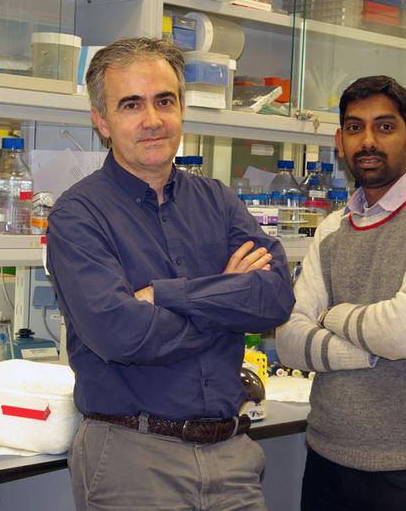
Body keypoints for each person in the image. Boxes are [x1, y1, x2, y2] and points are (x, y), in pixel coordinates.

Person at [46, 37, 295, 510]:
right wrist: (227, 304)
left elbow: (276, 297)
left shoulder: (218, 201)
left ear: (181, 108)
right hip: (134, 459)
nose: (153, 120)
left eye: (165, 101)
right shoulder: (78, 215)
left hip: (233, 458)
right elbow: (124, 335)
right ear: (102, 120)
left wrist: (165, 295)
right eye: (131, 105)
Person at [276, 75, 406, 510]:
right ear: (340, 140)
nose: (367, 140)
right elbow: (289, 342)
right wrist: (374, 349)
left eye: (385, 127)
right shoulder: (331, 228)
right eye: (355, 128)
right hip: (325, 460)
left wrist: (331, 315)